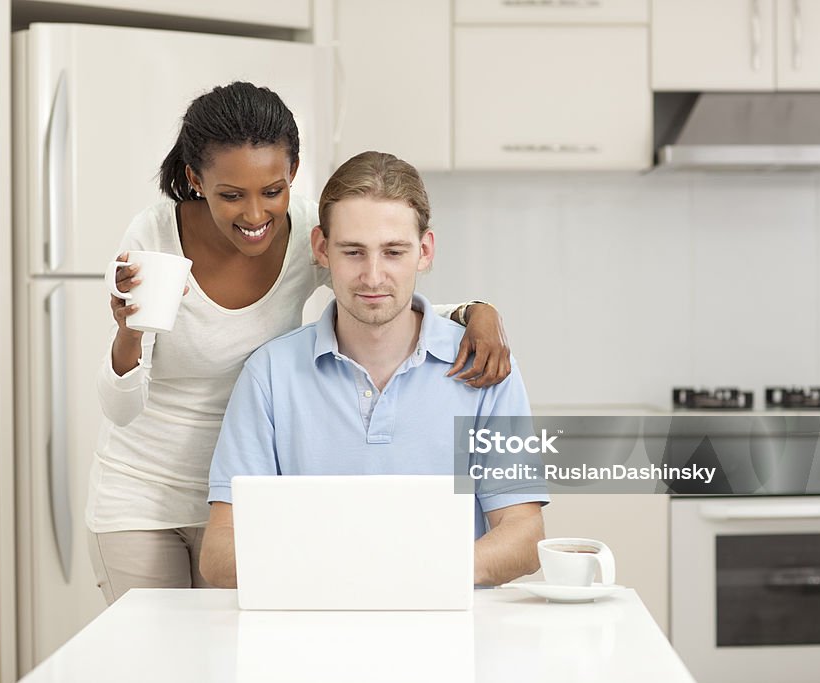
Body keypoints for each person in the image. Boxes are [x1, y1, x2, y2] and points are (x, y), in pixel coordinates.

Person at [87, 82, 516, 604]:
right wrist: (129, 331)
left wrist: (474, 313)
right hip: (147, 490)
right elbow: (121, 409)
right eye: (231, 195)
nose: (254, 215)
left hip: (246, 495)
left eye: (272, 191)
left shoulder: (310, 226)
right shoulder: (155, 240)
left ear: (292, 175)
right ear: (196, 180)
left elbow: (378, 289)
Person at [200, 151, 548, 589]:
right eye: (353, 252)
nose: (373, 276)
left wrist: (408, 574)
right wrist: (352, 578)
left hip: (451, 631)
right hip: (311, 634)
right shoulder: (270, 374)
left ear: (424, 252)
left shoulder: (486, 368)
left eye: (393, 252)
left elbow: (523, 534)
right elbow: (219, 552)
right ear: (322, 249)